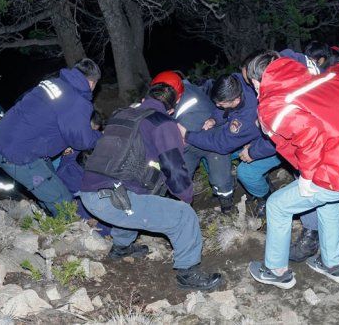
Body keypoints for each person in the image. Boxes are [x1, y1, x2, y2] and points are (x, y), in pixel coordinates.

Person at [245, 51, 339, 288]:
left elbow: (309, 135)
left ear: (258, 80)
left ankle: (276, 271)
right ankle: (332, 264)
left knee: (277, 205)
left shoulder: (273, 104)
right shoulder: (323, 80)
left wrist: (307, 177)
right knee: (326, 201)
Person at [80, 82, 223, 291]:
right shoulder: (163, 123)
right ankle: (188, 273)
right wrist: (186, 197)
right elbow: (174, 168)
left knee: (136, 198)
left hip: (91, 190)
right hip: (111, 198)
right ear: (172, 108)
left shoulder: (122, 113)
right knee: (183, 216)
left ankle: (121, 248)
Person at [0, 58, 102, 215]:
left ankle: (48, 220)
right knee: (62, 200)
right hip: (18, 155)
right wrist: (101, 137)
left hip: (6, 139)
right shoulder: (78, 101)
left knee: (53, 185)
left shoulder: (52, 83)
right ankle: (68, 235)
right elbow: (82, 141)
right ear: (92, 83)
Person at [287, 41, 339, 263]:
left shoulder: (338, 76)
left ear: (322, 60)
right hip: (325, 134)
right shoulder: (322, 72)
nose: (309, 65)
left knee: (310, 180)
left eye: (312, 61)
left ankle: (311, 234)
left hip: (335, 140)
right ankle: (328, 248)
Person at [180, 73, 280, 216]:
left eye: (221, 104)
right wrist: (215, 119)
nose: (217, 106)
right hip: (257, 135)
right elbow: (224, 110)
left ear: (236, 100)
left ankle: (266, 198)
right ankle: (256, 182)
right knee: (213, 153)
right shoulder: (236, 81)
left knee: (245, 172)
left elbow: (221, 144)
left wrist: (187, 135)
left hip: (273, 144)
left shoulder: (244, 120)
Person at [153, 71, 236, 213]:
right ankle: (181, 208)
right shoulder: (176, 94)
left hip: (211, 141)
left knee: (220, 178)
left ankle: (227, 205)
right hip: (188, 143)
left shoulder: (193, 103)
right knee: (181, 177)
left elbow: (180, 139)